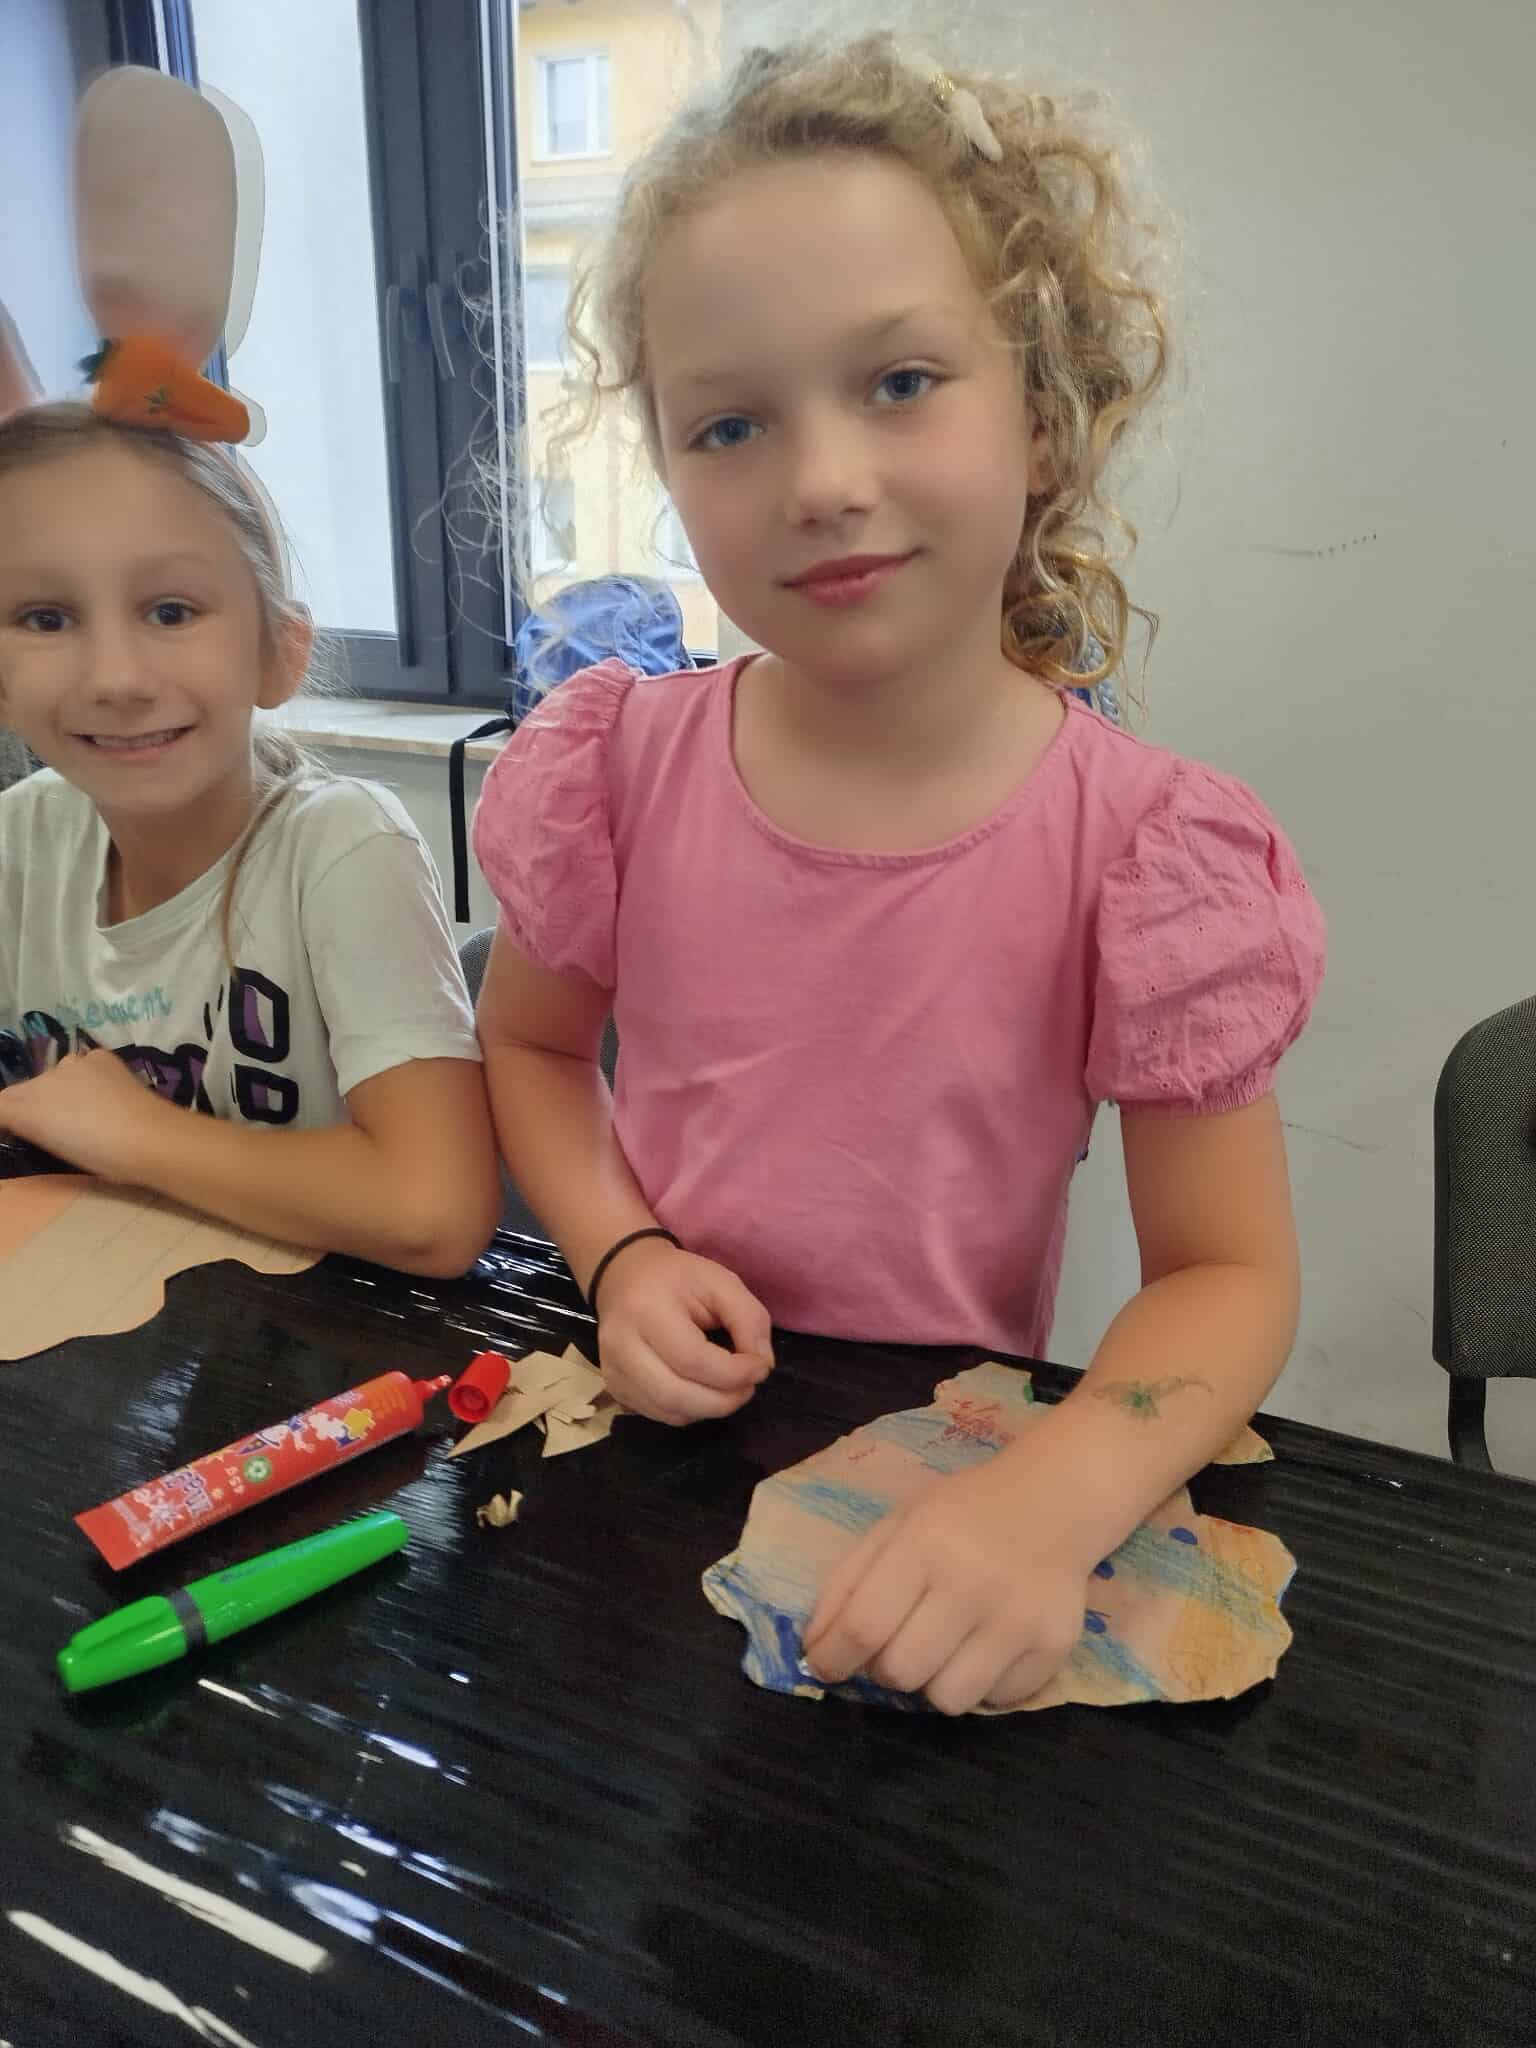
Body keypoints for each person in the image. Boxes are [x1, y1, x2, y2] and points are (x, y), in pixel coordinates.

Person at [471, 35, 1326, 1711]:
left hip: (946, 1493)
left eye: (901, 381)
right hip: (641, 1457)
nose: (822, 483)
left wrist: (1054, 1499)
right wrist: (620, 1253)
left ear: (1044, 416)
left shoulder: (1149, 854)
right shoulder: (612, 773)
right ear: (667, 465)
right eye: (730, 422)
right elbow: (532, 1044)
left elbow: (1226, 1275)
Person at [0, 404, 501, 1276]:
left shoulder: (341, 849)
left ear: (280, 652)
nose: (115, 678)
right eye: (46, 618)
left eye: (171, 610)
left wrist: (135, 1132)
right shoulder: (23, 836)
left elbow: (436, 1212)